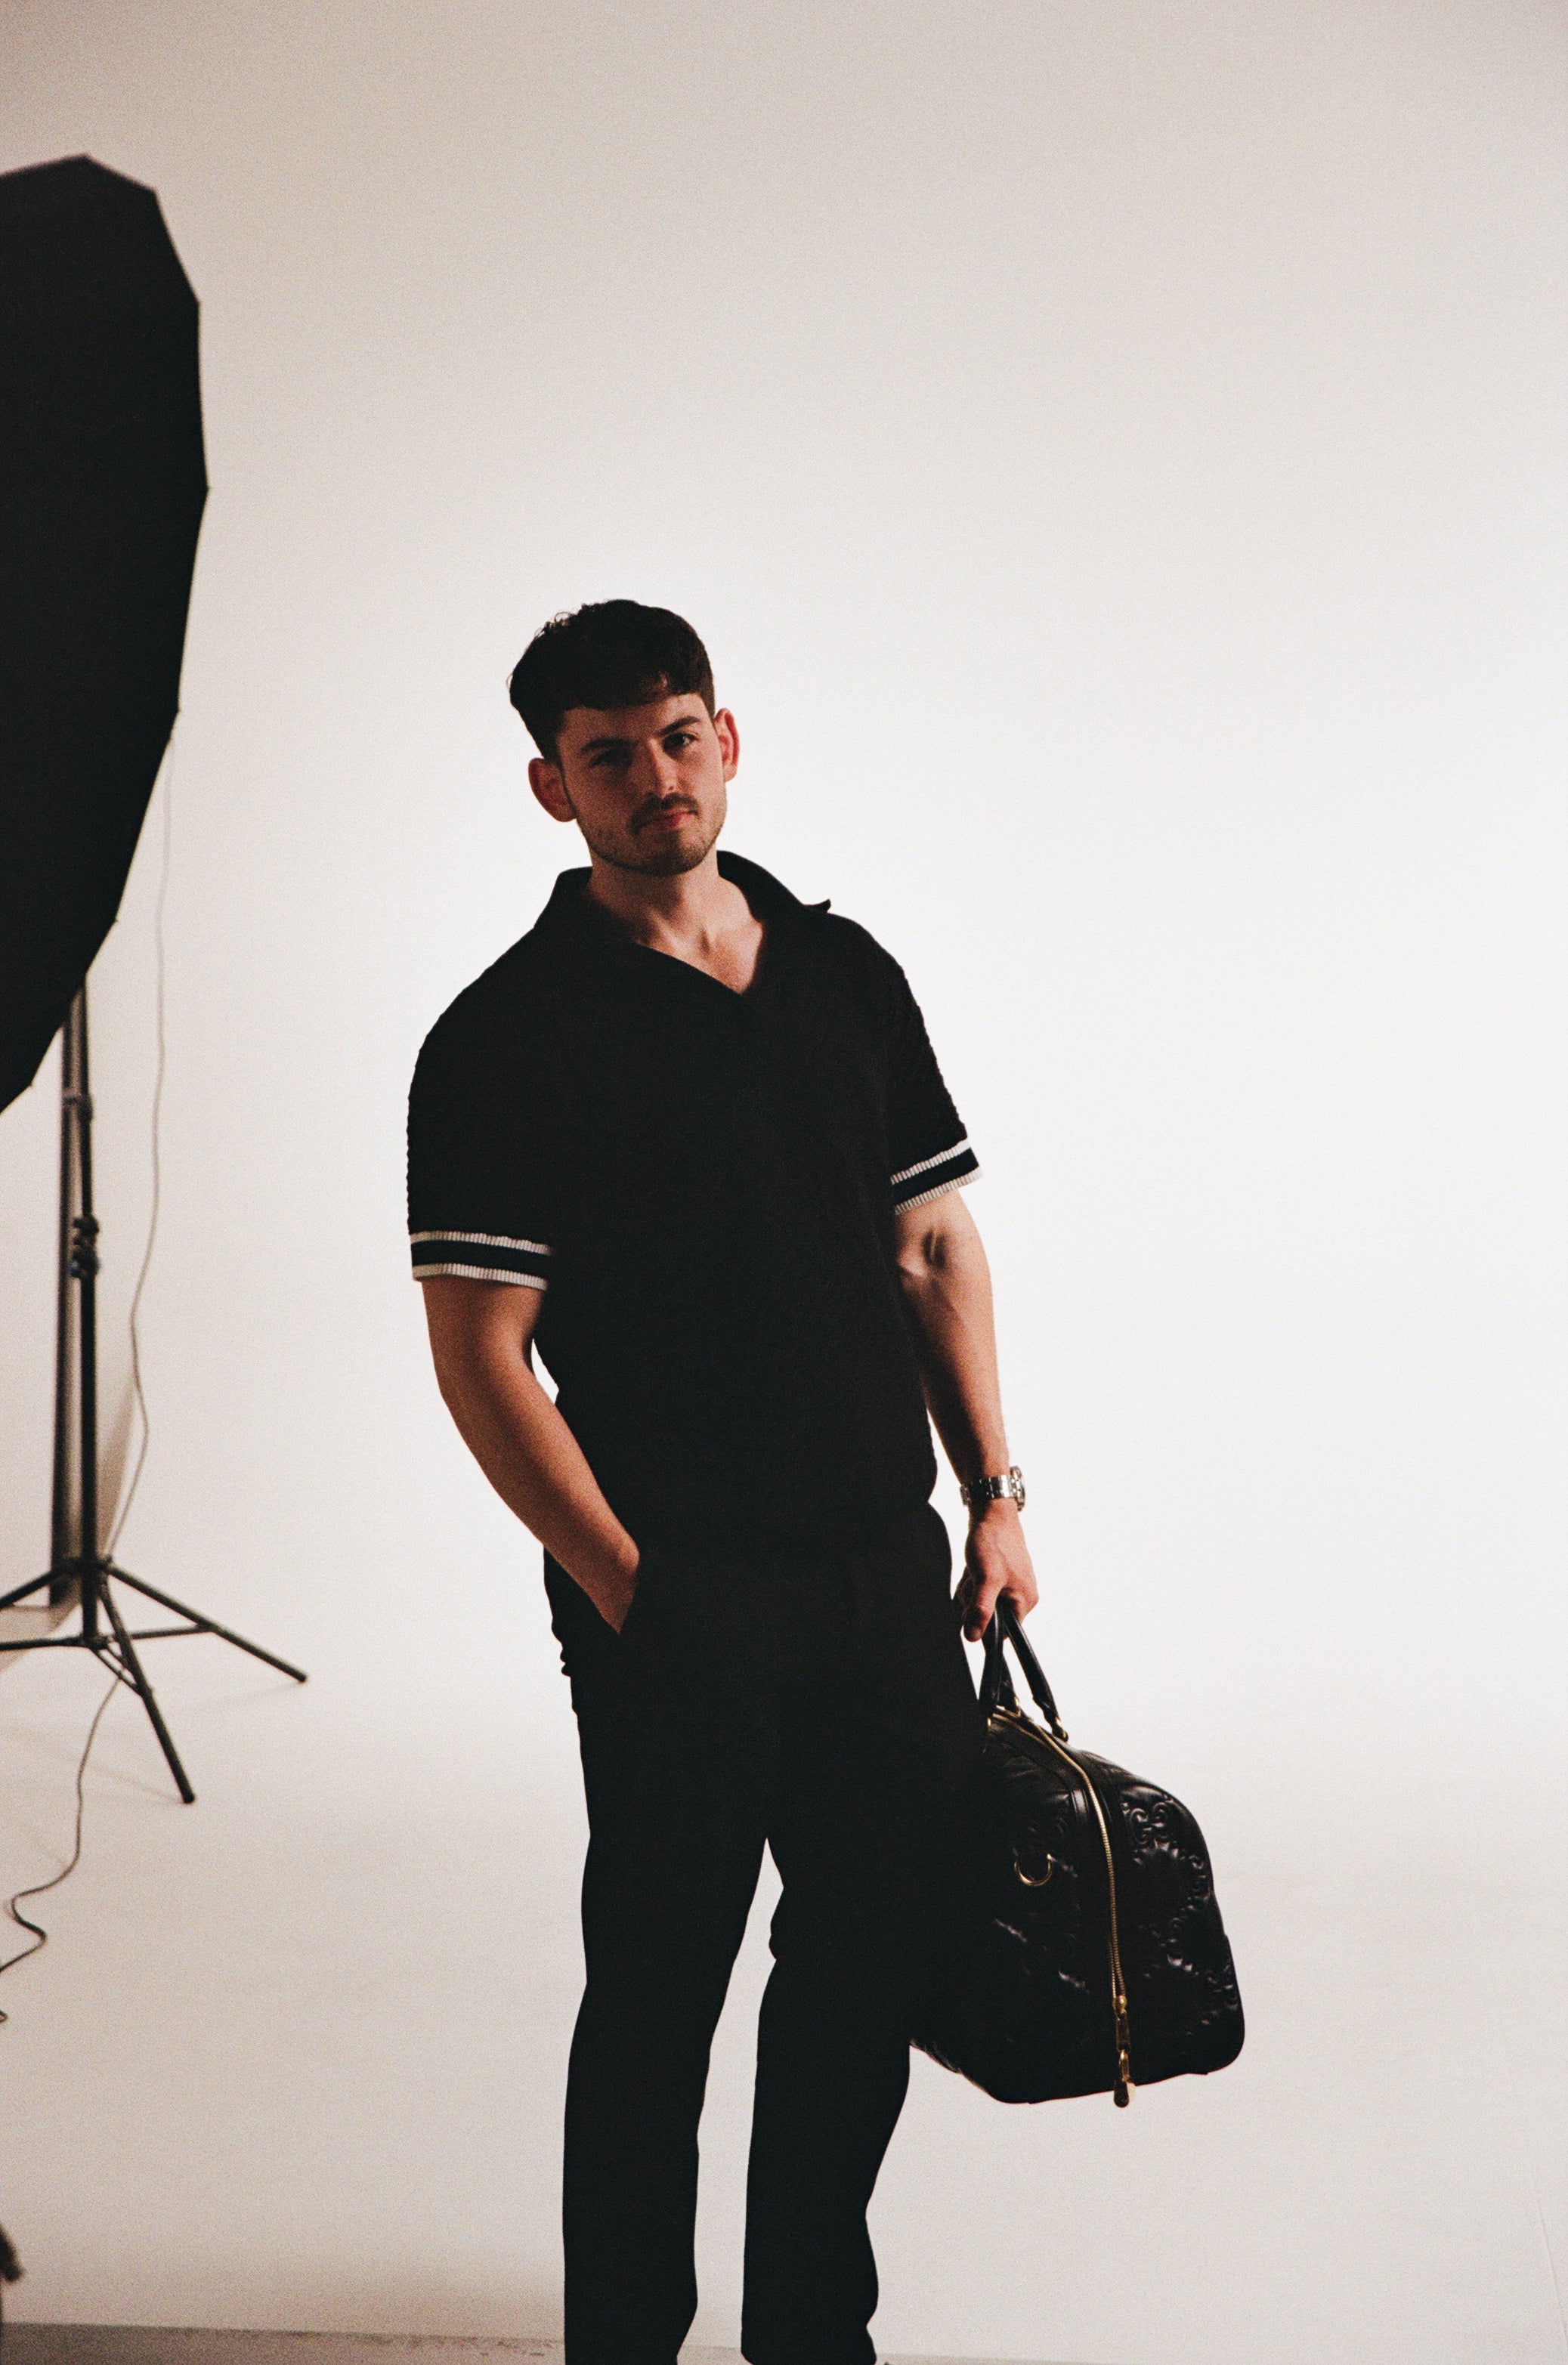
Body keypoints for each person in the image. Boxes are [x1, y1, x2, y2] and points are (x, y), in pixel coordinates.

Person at [407, 600, 1037, 2365]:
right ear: (553, 785)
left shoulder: (843, 970)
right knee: (662, 1989)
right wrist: (630, 1587)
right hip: (673, 1587)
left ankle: (811, 2331)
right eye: (609, 752)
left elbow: (933, 1245)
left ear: (729, 737)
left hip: (880, 1573)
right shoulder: (505, 1035)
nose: (656, 776)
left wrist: (995, 1491)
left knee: (860, 1969)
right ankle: (625, 2335)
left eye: (680, 734)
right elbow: (482, 1357)